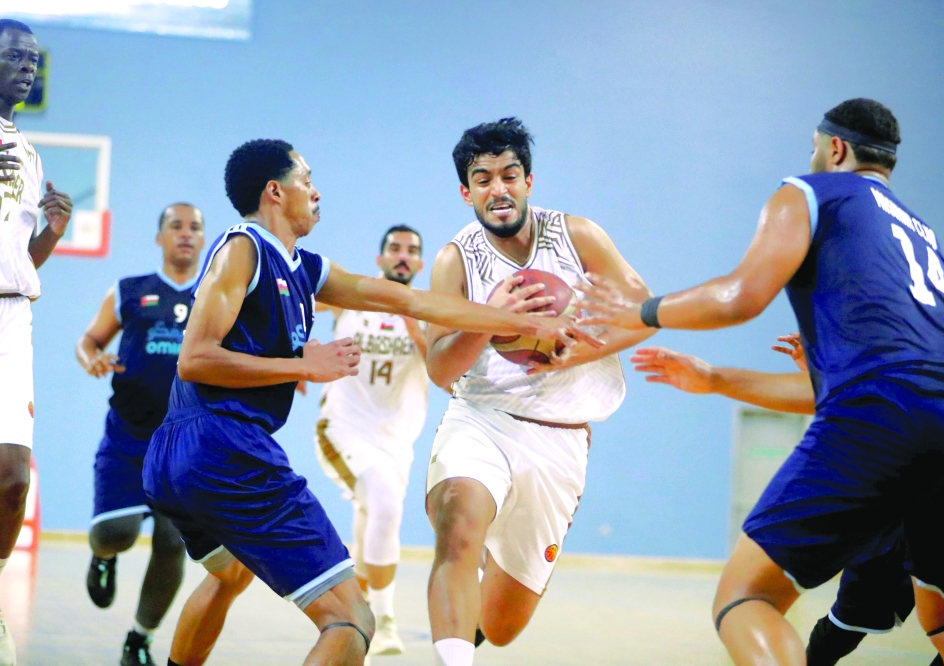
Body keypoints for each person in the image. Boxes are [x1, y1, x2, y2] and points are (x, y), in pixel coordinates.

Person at [141, 138, 594, 666]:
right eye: (305, 179)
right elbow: (194, 359)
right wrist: (303, 366)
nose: (315, 191)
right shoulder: (243, 246)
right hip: (223, 447)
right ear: (274, 190)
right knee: (352, 621)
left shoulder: (303, 267)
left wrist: (516, 319)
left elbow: (407, 298)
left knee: (229, 575)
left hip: (177, 455)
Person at [579, 99, 944, 665]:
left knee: (746, 596)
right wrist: (716, 378)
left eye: (813, 147)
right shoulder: (918, 230)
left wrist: (643, 311)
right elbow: (888, 387)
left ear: (835, 148)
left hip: (892, 408)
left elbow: (739, 297)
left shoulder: (809, 191)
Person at [631, 229, 944, 666]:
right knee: (845, 630)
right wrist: (818, 378)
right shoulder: (918, 338)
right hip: (897, 519)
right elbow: (854, 395)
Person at [424, 117, 655, 666]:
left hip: (560, 437)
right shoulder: (454, 261)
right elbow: (438, 368)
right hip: (482, 416)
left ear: (529, 181)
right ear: (466, 192)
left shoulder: (578, 236)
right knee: (458, 523)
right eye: (483, 179)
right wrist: (488, 319)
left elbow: (645, 314)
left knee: (503, 626)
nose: (497, 189)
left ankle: (475, 610)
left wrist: (583, 349)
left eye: (508, 175)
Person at [76, 203, 206, 666]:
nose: (186, 234)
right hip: (128, 434)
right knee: (118, 531)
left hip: (183, 443)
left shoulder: (216, 293)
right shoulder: (130, 291)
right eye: (176, 226)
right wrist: (90, 356)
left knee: (173, 543)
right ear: (159, 238)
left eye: (195, 227)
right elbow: (89, 340)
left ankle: (139, 639)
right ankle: (104, 556)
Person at [314, 224, 429, 656]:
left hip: (397, 441)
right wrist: (293, 354)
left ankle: (359, 605)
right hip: (343, 430)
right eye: (394, 249)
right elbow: (291, 309)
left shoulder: (429, 311)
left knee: (375, 510)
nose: (402, 255)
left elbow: (444, 372)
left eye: (411, 251)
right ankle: (383, 619)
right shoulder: (350, 298)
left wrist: (416, 325)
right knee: (382, 502)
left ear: (419, 264)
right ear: (379, 259)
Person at [0, 17, 74, 666]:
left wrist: (51, 232)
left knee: (11, 478)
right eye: (15, 56)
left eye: (33, 60)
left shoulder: (27, 153)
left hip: (9, 320)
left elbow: (18, 260)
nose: (28, 67)